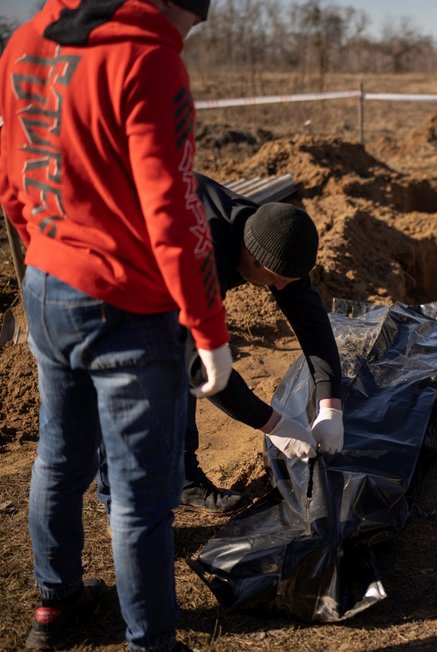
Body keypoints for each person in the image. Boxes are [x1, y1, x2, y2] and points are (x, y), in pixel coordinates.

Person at [0, 0, 231, 650]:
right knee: (138, 497)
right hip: (126, 308)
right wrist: (207, 326)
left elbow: (13, 174)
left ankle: (57, 605)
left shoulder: (25, 42)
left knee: (59, 456)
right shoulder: (148, 59)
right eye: (190, 22)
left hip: (46, 282)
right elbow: (174, 208)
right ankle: (152, 642)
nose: (185, 38)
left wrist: (43, 248)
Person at [175, 173, 345, 512]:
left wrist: (330, 404)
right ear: (252, 259)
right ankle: (122, 505)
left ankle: (181, 479)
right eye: (275, 281)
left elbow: (310, 320)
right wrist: (274, 424)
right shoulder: (201, 256)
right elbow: (199, 365)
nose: (279, 289)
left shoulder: (271, 234)